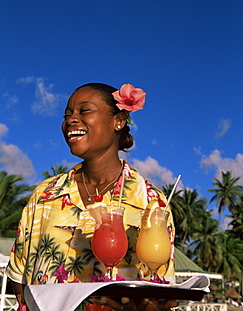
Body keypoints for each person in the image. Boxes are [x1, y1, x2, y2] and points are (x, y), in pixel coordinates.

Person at [6, 82, 178, 311]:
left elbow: (162, 285)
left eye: (84, 111)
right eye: (67, 114)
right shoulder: (45, 194)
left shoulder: (150, 201)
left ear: (118, 120)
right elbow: (19, 276)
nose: (71, 120)